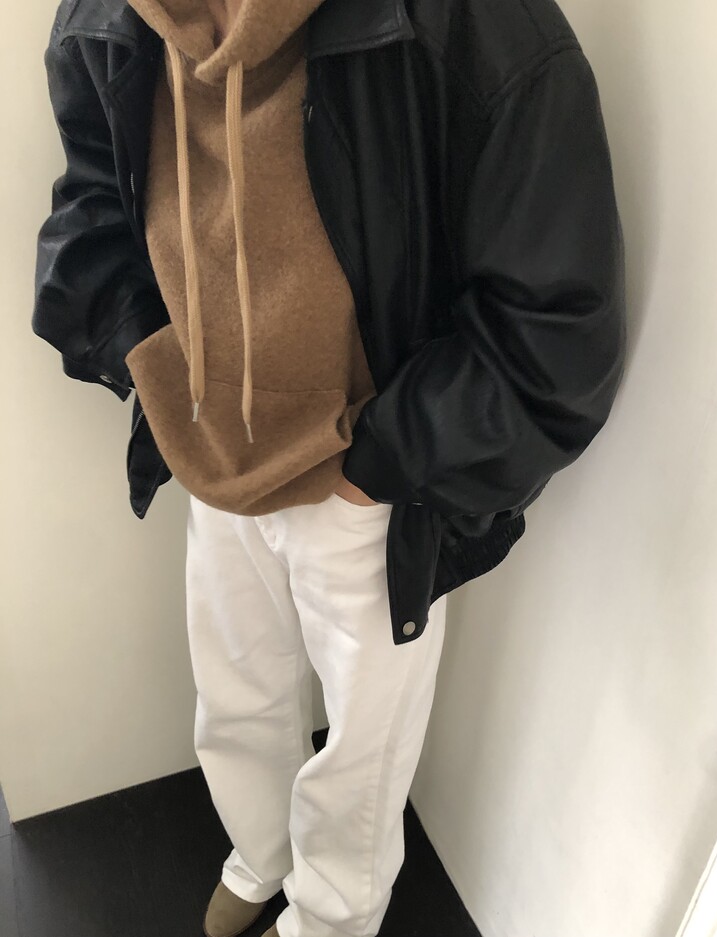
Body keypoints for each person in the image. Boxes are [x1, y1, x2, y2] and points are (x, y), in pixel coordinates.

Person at [32, 1, 627, 936]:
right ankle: (260, 853)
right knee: (234, 692)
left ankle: (332, 918)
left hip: (372, 467)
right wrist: (153, 363)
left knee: (363, 747)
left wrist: (384, 462)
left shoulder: (471, 21)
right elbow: (94, 197)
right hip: (213, 445)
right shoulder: (105, 16)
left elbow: (557, 323)